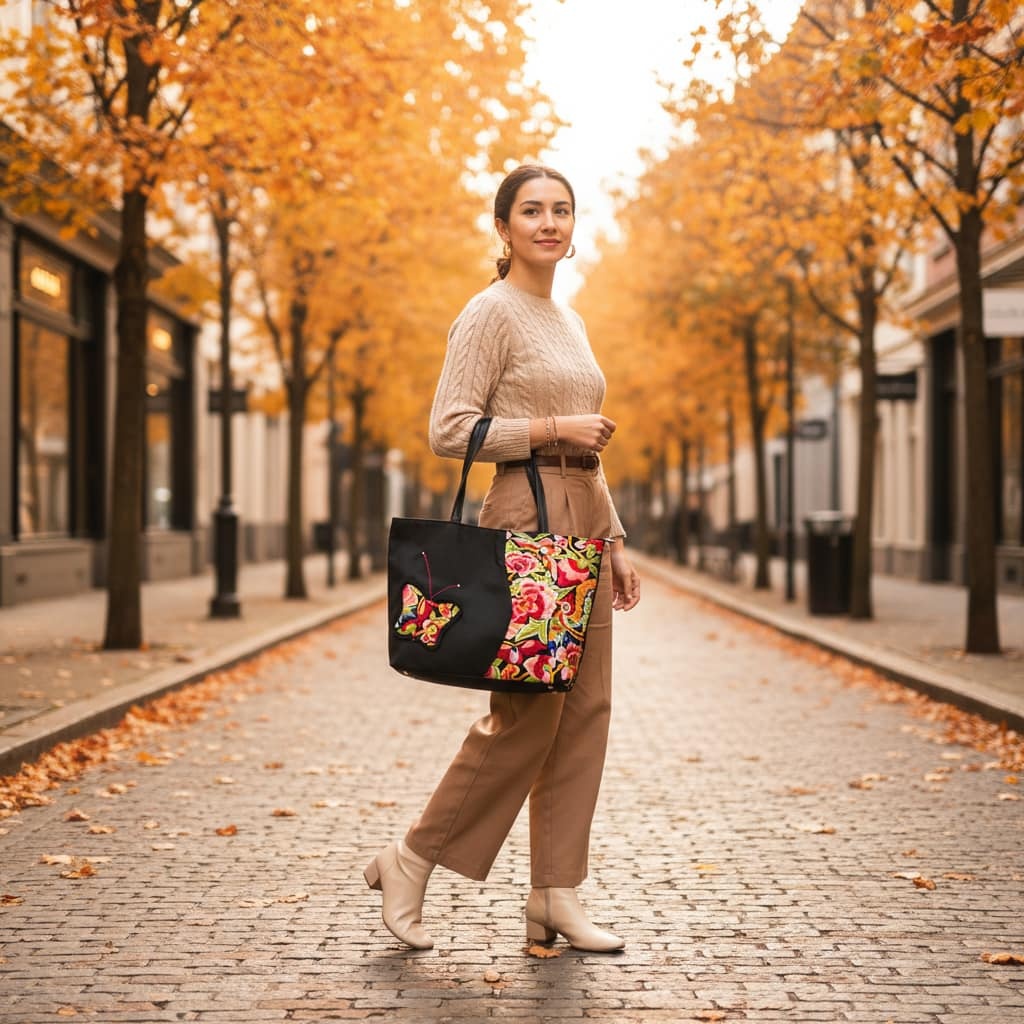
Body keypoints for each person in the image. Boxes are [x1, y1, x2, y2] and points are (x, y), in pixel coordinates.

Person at [364, 163, 641, 953]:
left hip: (583, 514)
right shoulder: (488, 314)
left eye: (561, 210)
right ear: (503, 227)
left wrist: (614, 539)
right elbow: (450, 429)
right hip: (526, 513)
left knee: (586, 709)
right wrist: (552, 428)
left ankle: (555, 894)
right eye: (532, 210)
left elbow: (589, 447)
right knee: (526, 713)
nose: (548, 222)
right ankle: (412, 857)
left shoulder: (572, 320)